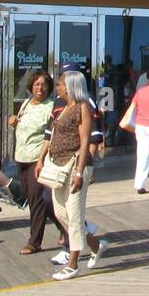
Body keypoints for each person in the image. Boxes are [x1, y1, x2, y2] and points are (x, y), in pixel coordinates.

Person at [35, 70, 106, 279]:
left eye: (60, 85)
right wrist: (42, 159)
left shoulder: (83, 107)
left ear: (70, 86)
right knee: (61, 213)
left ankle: (73, 263)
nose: (57, 88)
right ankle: (95, 245)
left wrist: (80, 172)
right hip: (59, 166)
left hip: (76, 166)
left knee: (74, 216)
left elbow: (85, 141)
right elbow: (51, 134)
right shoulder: (64, 108)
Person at [10, 70, 64, 255]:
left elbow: (53, 133)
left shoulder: (51, 106)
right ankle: (65, 228)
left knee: (36, 198)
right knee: (37, 199)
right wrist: (15, 121)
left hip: (38, 158)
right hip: (21, 157)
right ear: (31, 86)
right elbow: (24, 125)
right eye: (37, 84)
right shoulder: (26, 103)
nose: (40, 88)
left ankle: (34, 242)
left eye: (44, 85)